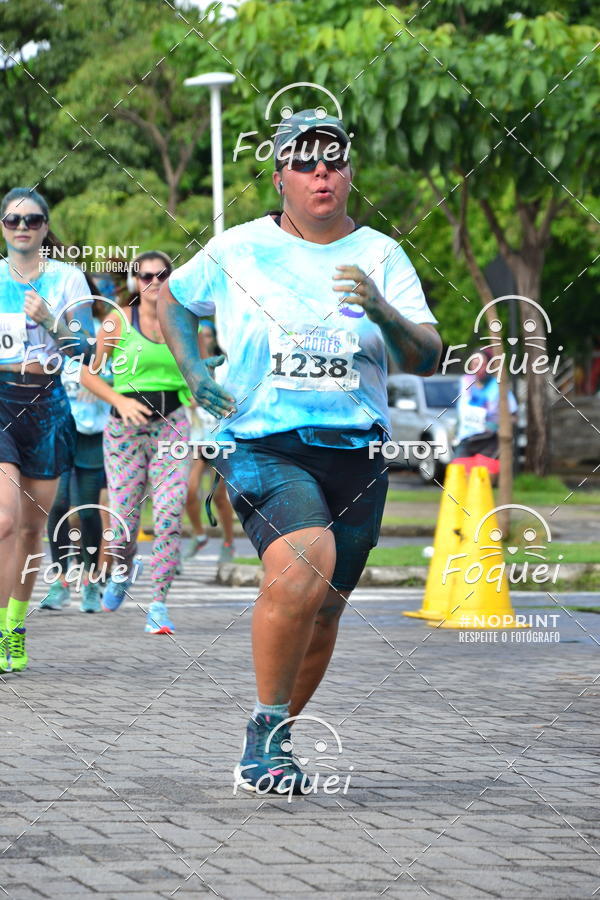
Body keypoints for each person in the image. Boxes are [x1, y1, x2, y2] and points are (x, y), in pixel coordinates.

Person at [158, 109, 442, 793]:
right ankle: (265, 727)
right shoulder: (239, 248)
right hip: (261, 437)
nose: (323, 171)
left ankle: (273, 740)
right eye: (305, 160)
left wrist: (380, 309)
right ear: (280, 173)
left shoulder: (381, 255)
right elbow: (172, 299)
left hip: (356, 446)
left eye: (335, 160)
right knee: (304, 561)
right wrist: (196, 373)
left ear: (349, 173)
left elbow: (426, 354)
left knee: (327, 606)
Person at [0, 187, 94, 672]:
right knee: (5, 520)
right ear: (2, 226)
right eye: (13, 219)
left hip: (47, 404)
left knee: (32, 529)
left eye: (32, 220)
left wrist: (51, 320)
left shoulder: (67, 278)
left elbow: (86, 350)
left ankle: (13, 627)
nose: (22, 227)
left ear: (44, 227)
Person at [82, 251, 196, 634]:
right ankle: (123, 570)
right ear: (135, 280)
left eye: (162, 275)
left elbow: (194, 370)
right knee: (125, 520)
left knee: (169, 513)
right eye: (146, 276)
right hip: (124, 430)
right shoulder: (118, 321)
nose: (154, 282)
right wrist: (119, 400)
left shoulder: (183, 322)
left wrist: (199, 389)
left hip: (172, 425)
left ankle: (159, 605)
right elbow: (89, 375)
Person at [41, 296, 112, 613]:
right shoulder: (46, 331)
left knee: (85, 512)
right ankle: (59, 582)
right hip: (58, 429)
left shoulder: (104, 331)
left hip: (92, 435)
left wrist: (99, 381)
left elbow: (127, 375)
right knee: (57, 505)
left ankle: (91, 581)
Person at [183, 319, 235, 564]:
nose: (202, 340)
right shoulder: (189, 369)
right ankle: (200, 534)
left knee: (219, 497)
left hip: (220, 440)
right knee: (189, 491)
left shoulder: (226, 366)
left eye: (206, 336)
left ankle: (228, 541)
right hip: (197, 440)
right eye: (198, 337)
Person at [454, 347, 517, 459]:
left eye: (481, 364)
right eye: (474, 364)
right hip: (465, 438)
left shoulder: (498, 386)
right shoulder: (465, 382)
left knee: (482, 474)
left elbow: (513, 415)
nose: (477, 368)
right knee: (458, 472)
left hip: (489, 440)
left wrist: (501, 428)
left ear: (489, 366)